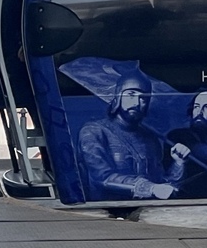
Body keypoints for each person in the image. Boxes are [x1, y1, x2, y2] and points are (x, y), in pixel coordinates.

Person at [78, 70, 184, 200]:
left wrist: (178, 164)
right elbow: (101, 177)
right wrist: (150, 188)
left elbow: (161, 184)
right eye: (131, 94)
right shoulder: (93, 131)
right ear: (118, 96)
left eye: (143, 98)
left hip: (149, 212)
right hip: (107, 212)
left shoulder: (151, 139)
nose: (136, 103)